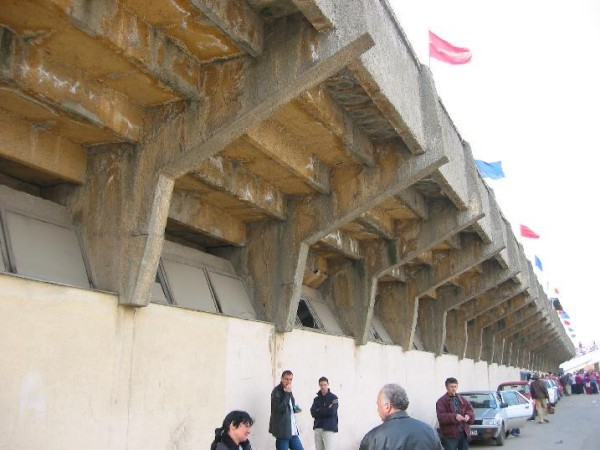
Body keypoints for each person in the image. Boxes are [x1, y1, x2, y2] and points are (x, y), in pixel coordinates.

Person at [359, 383, 442, 450]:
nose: (377, 409)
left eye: (378, 405)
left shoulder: (373, 438)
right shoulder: (430, 431)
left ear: (387, 406)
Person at [435, 377, 475, 450]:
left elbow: (470, 410)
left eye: (455, 386)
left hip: (463, 433)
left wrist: (468, 416)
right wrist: (455, 417)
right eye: (451, 387)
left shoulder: (462, 399)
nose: (454, 389)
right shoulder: (441, 401)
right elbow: (441, 417)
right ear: (446, 387)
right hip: (450, 435)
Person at [269, 370, 305, 450]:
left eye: (290, 379)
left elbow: (290, 405)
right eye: (286, 379)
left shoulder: (288, 391)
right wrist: (287, 393)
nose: (288, 381)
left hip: (292, 430)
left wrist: (295, 409)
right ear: (282, 379)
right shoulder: (277, 391)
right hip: (282, 431)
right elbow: (279, 408)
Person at [310, 376, 338, 450]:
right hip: (318, 427)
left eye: (325, 385)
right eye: (321, 385)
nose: (323, 387)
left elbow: (332, 411)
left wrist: (319, 410)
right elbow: (313, 412)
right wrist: (326, 409)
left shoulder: (334, 398)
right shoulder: (316, 399)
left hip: (328, 428)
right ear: (319, 385)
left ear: (328, 385)